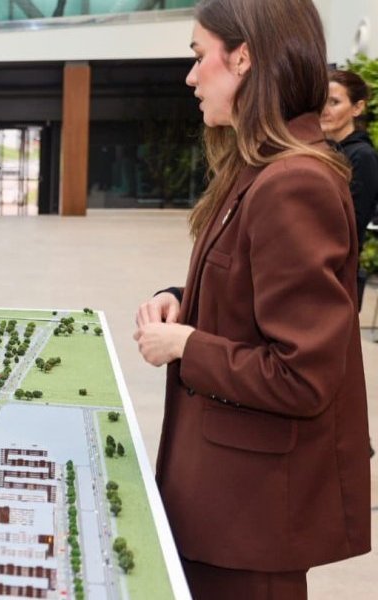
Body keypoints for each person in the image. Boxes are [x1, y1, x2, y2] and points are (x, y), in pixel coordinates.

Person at [133, 1, 371, 597]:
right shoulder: (260, 167)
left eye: (199, 56)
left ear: (243, 57)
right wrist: (181, 300)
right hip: (225, 500)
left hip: (251, 515)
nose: (191, 76)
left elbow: (302, 376)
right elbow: (249, 290)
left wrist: (186, 344)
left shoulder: (293, 182)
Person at [322, 69, 378, 301]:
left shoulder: (362, 156)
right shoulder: (323, 150)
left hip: (337, 276)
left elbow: (351, 224)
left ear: (357, 108)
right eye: (322, 101)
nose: (324, 109)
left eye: (334, 102)